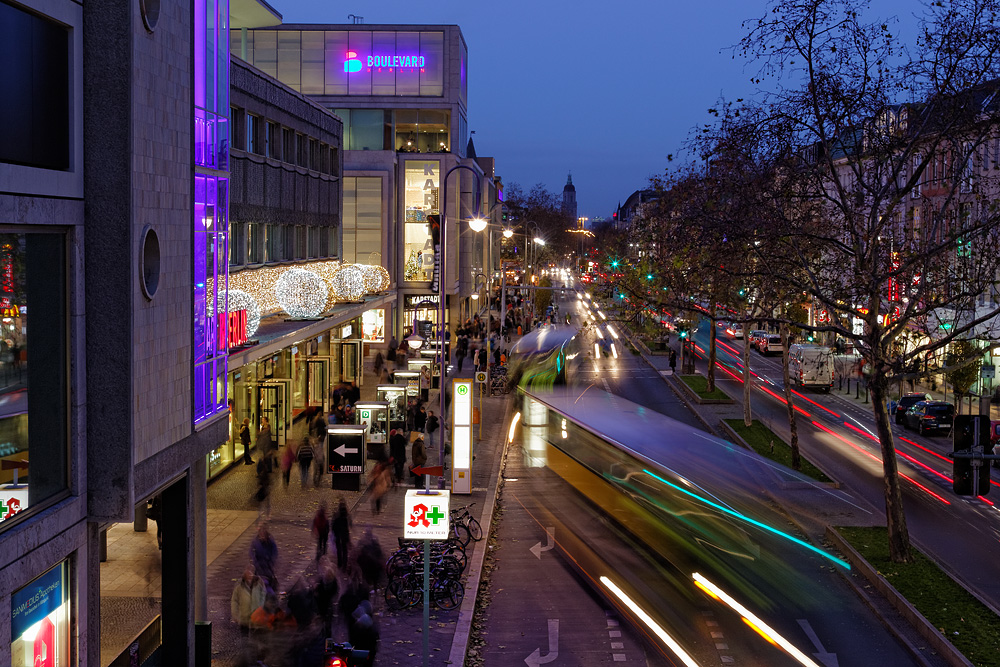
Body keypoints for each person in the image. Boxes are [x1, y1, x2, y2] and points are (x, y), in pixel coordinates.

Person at [230, 564, 267, 637]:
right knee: (244, 639)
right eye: (247, 571)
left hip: (257, 618)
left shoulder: (259, 583)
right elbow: (234, 601)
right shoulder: (239, 586)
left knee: (256, 639)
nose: (249, 573)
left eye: (251, 571)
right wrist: (235, 615)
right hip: (244, 619)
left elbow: (264, 596)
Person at [249, 523, 278, 592]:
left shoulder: (270, 541)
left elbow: (274, 551)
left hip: (267, 564)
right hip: (259, 564)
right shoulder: (256, 542)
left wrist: (271, 561)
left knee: (268, 578)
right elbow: (252, 552)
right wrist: (255, 562)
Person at [331, 497, 351, 570]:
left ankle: (340, 563)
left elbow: (333, 527)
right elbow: (346, 529)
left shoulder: (337, 518)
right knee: (344, 550)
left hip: (338, 536)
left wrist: (334, 534)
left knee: (339, 550)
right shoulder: (345, 519)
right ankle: (344, 564)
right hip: (344, 537)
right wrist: (348, 538)